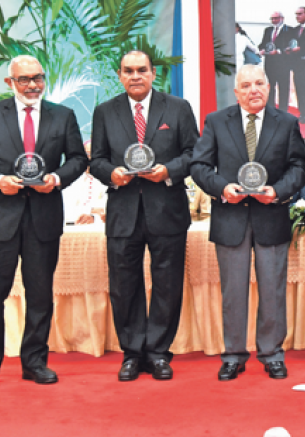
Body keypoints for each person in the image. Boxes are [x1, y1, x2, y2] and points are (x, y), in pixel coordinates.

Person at [0, 55, 88, 391]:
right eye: (24, 79)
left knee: (41, 296)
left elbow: (78, 158)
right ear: (9, 83)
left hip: (43, 219)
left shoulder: (62, 115)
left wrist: (57, 179)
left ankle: (35, 362)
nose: (33, 85)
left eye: (38, 78)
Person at [191, 64, 305, 381]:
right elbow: (199, 166)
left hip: (271, 216)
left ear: (269, 88)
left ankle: (271, 354)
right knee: (233, 293)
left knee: (272, 291)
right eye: (246, 85)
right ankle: (233, 355)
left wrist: (278, 191)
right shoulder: (216, 122)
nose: (253, 90)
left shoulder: (286, 123)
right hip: (230, 218)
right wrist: (221, 189)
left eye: (259, 83)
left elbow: (299, 168)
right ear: (236, 92)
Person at [90, 50, 200, 381]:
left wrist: (168, 171)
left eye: (142, 70)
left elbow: (194, 153)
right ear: (120, 75)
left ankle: (158, 353)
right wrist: (113, 174)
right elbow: (96, 160)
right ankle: (132, 353)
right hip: (123, 212)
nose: (135, 76)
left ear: (153, 74)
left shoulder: (177, 107)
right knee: (124, 284)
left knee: (167, 283)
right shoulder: (105, 111)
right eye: (128, 71)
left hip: (167, 208)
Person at [62, 141, 107, 224]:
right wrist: (90, 210)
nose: (89, 158)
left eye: (93, 154)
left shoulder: (109, 180)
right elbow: (66, 207)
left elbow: (108, 209)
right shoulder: (73, 180)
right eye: (87, 154)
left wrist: (94, 218)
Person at [258, 12, 294, 111]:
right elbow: (263, 43)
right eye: (272, 19)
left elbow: (290, 46)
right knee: (269, 86)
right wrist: (261, 49)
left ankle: (283, 109)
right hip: (270, 63)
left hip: (283, 63)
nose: (274, 21)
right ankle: (270, 107)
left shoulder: (290, 30)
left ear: (282, 18)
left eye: (276, 18)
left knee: (283, 87)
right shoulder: (268, 30)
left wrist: (278, 51)